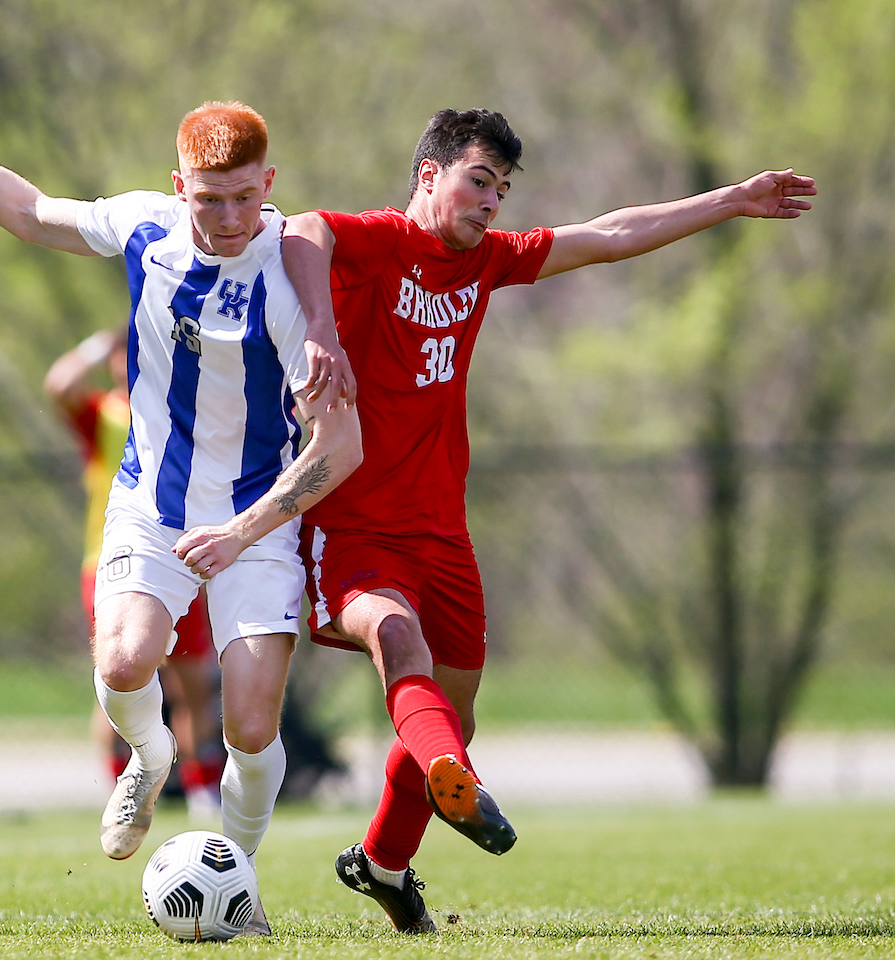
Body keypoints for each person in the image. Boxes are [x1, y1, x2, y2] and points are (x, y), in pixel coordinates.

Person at [282, 108, 816, 933]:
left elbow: (609, 233)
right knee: (398, 644)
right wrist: (321, 326)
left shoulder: (486, 261)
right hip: (352, 525)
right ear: (430, 175)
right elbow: (304, 230)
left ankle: (384, 864)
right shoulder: (381, 242)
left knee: (450, 717)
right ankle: (455, 783)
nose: (492, 202)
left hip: (442, 532)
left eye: (501, 188)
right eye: (478, 180)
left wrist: (732, 200)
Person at [0, 51, 362, 935]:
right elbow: (28, 212)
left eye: (245, 197)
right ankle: (148, 756)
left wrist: (244, 530)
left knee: (252, 725)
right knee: (121, 664)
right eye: (208, 197)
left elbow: (343, 447)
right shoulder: (143, 228)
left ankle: (236, 881)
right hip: (152, 503)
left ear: (271, 185)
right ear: (177, 185)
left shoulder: (291, 281)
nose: (227, 217)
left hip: (258, 522)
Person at [44, 328, 224, 820]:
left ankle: (202, 793)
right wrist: (95, 345)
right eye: (124, 354)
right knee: (116, 679)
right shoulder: (103, 414)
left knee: (192, 686)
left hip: (181, 560)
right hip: (110, 563)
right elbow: (58, 386)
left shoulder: (184, 408)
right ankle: (120, 792)